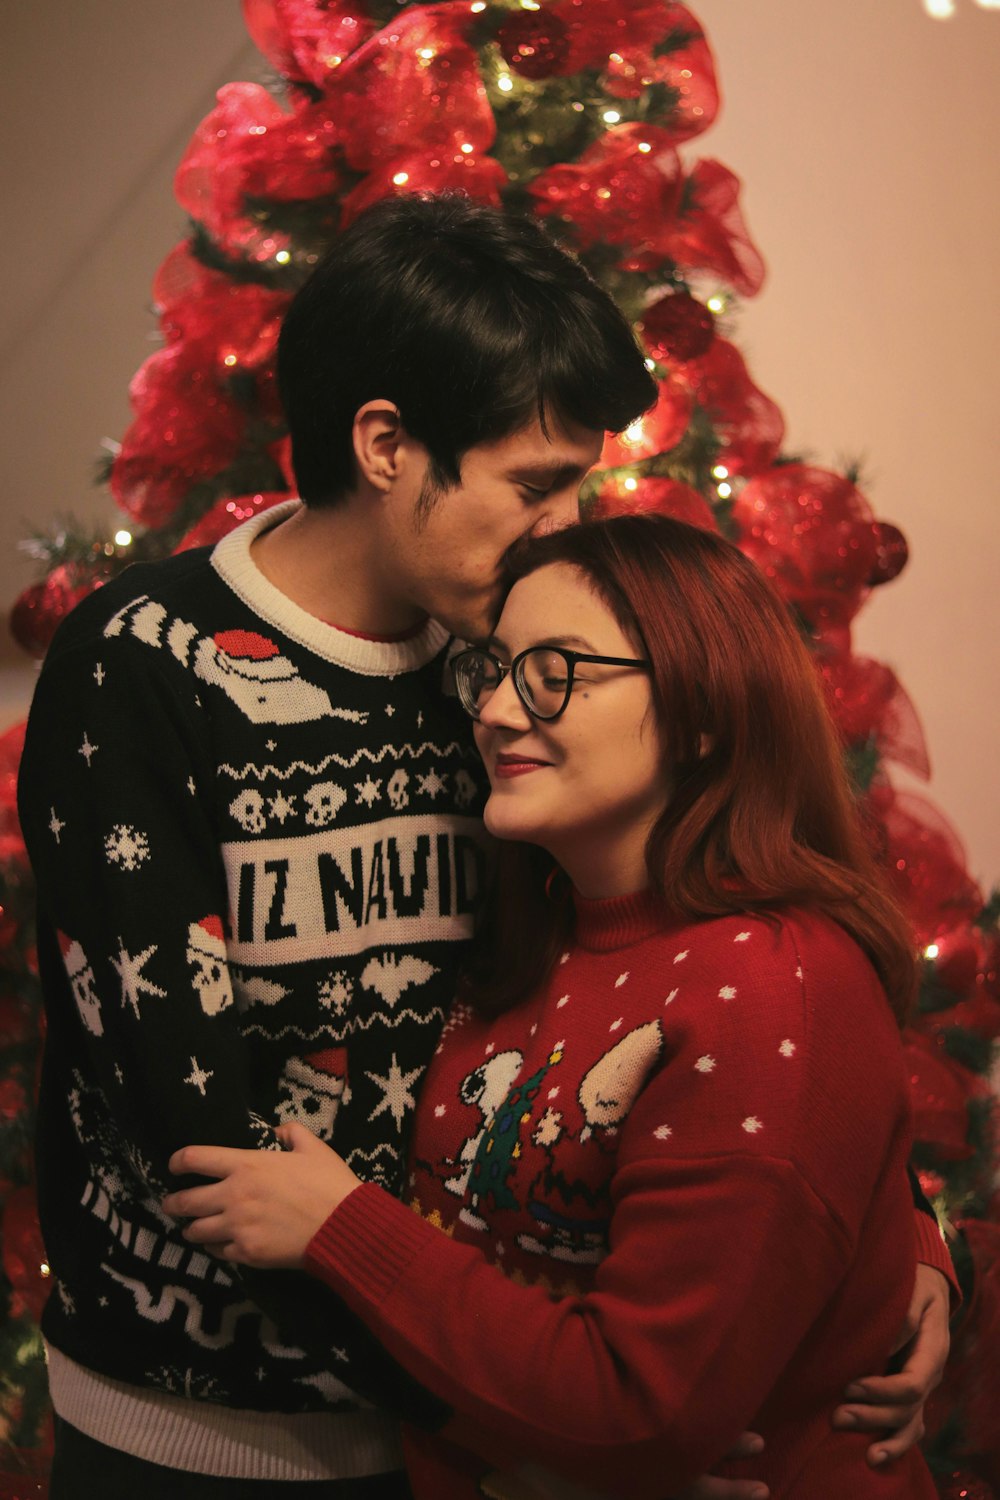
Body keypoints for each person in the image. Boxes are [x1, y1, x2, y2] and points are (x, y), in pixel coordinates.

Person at [19, 193, 948, 1498]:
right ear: (390, 444)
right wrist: (575, 1435)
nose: (562, 526)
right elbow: (204, 1146)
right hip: (213, 1431)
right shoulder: (143, 668)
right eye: (536, 484)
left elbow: (694, 956)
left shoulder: (518, 666)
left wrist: (897, 1236)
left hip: (475, 1420)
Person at [166, 513, 951, 1499]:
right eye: (493, 669)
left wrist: (343, 1230)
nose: (494, 710)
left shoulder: (771, 984)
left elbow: (639, 1409)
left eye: (555, 672)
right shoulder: (531, 922)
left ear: (703, 710)